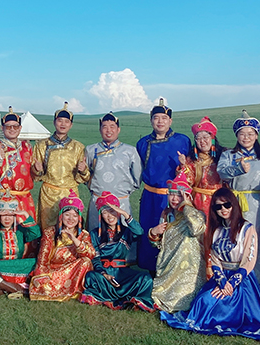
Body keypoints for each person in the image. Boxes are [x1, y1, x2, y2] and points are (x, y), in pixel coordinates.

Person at [161, 188, 260, 340]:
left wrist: (231, 284)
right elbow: (215, 259)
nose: (223, 209)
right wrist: (222, 282)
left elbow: (249, 260)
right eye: (218, 207)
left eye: (227, 205)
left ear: (234, 205)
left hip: (241, 280)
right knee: (203, 300)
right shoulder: (216, 230)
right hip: (221, 278)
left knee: (216, 303)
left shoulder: (247, 229)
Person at [217, 110, 260, 285]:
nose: (246, 137)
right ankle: (234, 281)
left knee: (258, 240)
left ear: (256, 136)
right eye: (242, 134)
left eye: (250, 134)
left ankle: (257, 283)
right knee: (236, 239)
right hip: (235, 203)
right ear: (237, 136)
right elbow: (221, 172)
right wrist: (238, 169)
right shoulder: (229, 155)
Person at [135, 98, 191, 272]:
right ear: (151, 120)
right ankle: (149, 269)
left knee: (173, 231)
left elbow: (192, 170)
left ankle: (172, 270)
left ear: (170, 121)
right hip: (150, 195)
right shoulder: (142, 143)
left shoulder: (182, 141)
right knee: (150, 228)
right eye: (156, 118)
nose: (160, 121)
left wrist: (184, 165)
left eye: (164, 118)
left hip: (174, 196)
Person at [80, 192, 154, 311]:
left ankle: (122, 297)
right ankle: (122, 297)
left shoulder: (127, 232)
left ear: (118, 212)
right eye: (105, 212)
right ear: (100, 215)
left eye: (113, 211)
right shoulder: (94, 234)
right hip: (104, 273)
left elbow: (139, 232)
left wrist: (125, 214)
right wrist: (104, 274)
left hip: (122, 272)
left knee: (146, 278)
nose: (110, 216)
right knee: (90, 277)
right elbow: (96, 258)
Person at [148, 171, 206, 313]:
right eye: (172, 194)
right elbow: (159, 245)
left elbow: (196, 229)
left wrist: (187, 206)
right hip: (167, 269)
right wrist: (153, 233)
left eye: (179, 195)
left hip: (187, 272)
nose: (174, 198)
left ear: (187, 196)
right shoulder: (166, 214)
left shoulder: (196, 215)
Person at [32, 102, 91, 229]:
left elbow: (84, 177)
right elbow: (36, 176)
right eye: (60, 120)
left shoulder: (78, 147)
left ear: (71, 125)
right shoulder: (42, 145)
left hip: (70, 193)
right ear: (54, 122)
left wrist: (83, 170)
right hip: (48, 193)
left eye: (66, 121)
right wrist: (37, 170)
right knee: (47, 229)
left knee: (70, 227)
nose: (63, 124)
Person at [29, 190, 95, 302]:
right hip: (54, 271)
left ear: (79, 218)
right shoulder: (50, 232)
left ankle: (75, 290)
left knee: (86, 262)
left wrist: (74, 240)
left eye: (75, 216)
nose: (70, 219)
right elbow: (43, 258)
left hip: (73, 271)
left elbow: (91, 255)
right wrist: (41, 274)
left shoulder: (83, 235)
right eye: (67, 215)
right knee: (42, 284)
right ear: (61, 216)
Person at [85, 112, 142, 232]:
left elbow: (137, 177)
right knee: (96, 234)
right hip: (97, 201)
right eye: (105, 127)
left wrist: (124, 192)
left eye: (112, 126)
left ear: (118, 129)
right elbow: (85, 175)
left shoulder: (130, 151)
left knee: (123, 235)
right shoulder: (90, 150)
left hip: (121, 201)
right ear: (100, 130)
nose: (108, 130)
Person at [0, 191, 41, 297]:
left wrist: (25, 214)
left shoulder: (20, 231)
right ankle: (20, 289)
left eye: (10, 215)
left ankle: (3, 288)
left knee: (36, 262)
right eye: (4, 216)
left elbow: (36, 233)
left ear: (15, 216)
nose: (7, 219)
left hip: (17, 265)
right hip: (0, 266)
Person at [0, 107, 36, 223]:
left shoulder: (27, 147)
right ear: (2, 128)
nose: (12, 129)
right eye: (8, 127)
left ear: (20, 128)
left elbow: (33, 172)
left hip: (25, 197)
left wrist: (37, 169)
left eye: (15, 126)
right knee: (5, 229)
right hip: (4, 198)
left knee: (27, 229)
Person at [176, 116, 225, 219]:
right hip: (197, 201)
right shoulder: (191, 159)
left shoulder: (223, 156)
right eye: (198, 138)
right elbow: (187, 182)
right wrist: (183, 165)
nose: (202, 141)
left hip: (220, 200)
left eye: (205, 137)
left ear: (212, 138)